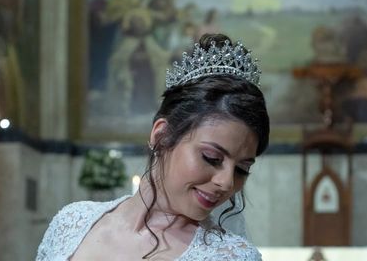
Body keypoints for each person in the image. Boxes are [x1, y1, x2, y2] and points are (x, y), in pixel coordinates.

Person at [36, 33, 270, 260]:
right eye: (211, 157)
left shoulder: (229, 256)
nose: (227, 183)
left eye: (242, 169)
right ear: (161, 136)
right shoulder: (71, 223)